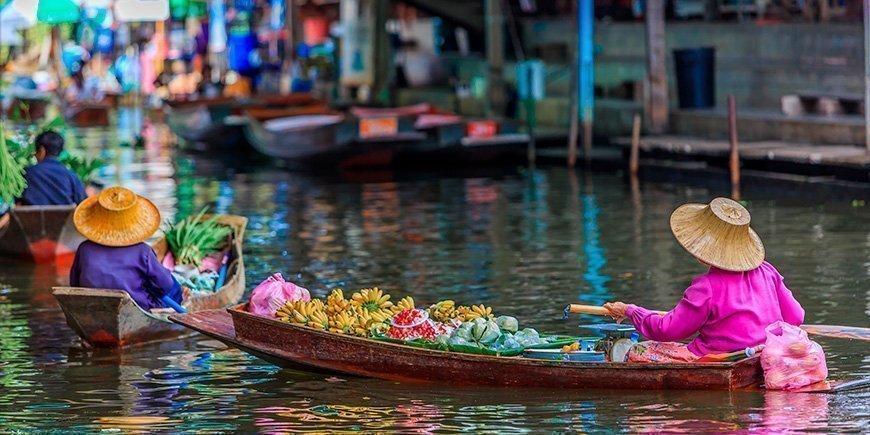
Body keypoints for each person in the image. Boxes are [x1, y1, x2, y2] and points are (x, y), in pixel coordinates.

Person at [604, 197, 805, 363]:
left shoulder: (706, 286)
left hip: (720, 359)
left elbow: (668, 330)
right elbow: (796, 317)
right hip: (764, 355)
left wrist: (631, 311)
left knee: (638, 351)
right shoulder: (767, 271)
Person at [69, 186, 187, 312]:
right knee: (171, 284)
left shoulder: (84, 249)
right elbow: (165, 285)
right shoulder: (143, 251)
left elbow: (75, 283)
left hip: (93, 307)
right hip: (139, 307)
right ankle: (182, 299)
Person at [18, 131, 88, 206]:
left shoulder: (27, 173)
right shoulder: (71, 176)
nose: (35, 155)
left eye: (36, 152)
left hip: (31, 217)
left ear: (42, 151)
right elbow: (83, 204)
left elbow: (16, 200)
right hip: (63, 217)